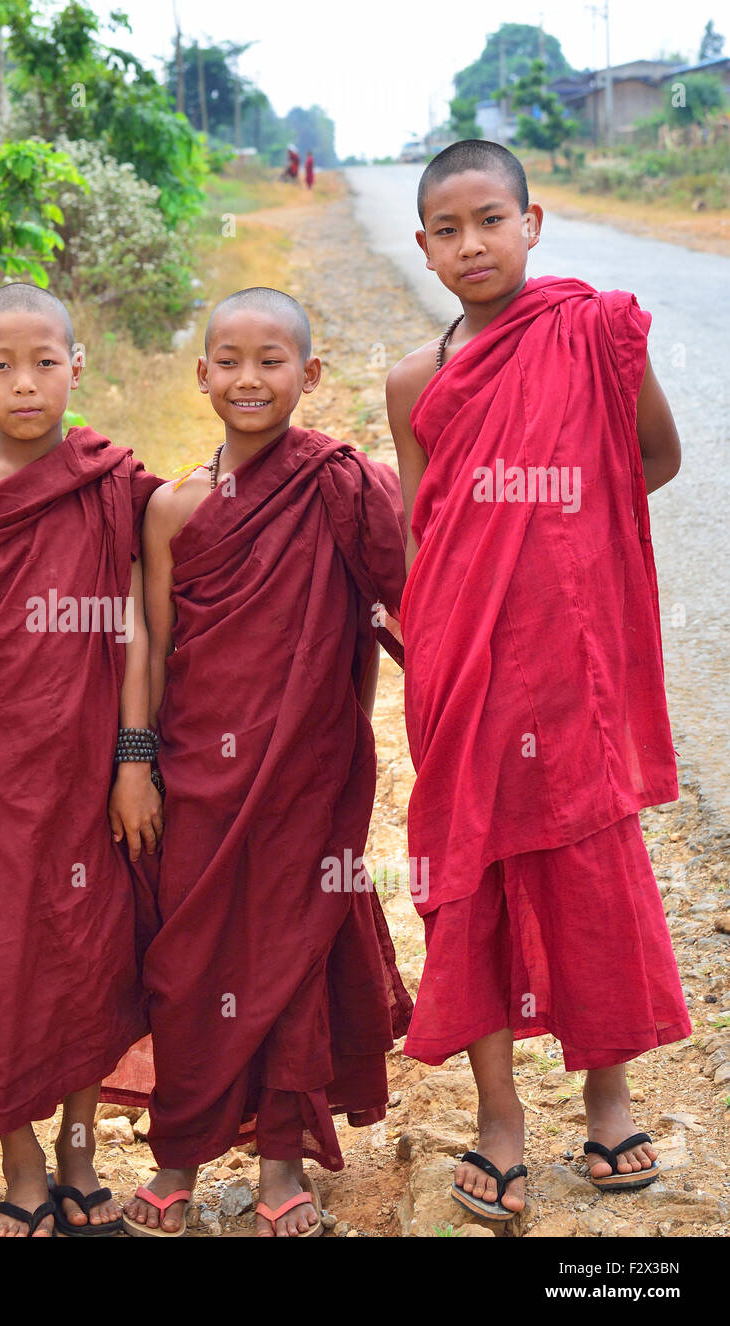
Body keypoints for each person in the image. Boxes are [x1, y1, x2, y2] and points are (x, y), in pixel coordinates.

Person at [386, 139, 689, 1223]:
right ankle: (498, 1122)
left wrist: (573, 540)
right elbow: (424, 530)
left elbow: (653, 459)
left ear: (532, 222)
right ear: (422, 248)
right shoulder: (414, 381)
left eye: (490, 221)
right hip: (462, 669)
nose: (472, 244)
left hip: (570, 661)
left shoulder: (596, 328)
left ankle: (608, 1100)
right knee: (467, 873)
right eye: (448, 230)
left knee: (588, 862)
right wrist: (431, 640)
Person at [117, 287, 413, 1237]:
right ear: (201, 375)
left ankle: (283, 1162)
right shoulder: (173, 509)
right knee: (192, 957)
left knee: (291, 956)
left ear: (310, 375)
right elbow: (150, 647)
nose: (250, 379)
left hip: (309, 768)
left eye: (271, 361)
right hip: (197, 770)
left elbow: (390, 613)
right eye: (230, 362)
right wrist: (135, 763)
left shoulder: (345, 484)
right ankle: (179, 1155)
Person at [0, 283, 163, 1237]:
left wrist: (136, 758)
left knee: (87, 948)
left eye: (44, 363)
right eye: (1, 366)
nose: (24, 383)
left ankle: (80, 1147)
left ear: (77, 367)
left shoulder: (110, 478)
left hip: (85, 759)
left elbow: (134, 624)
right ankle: (18, 1158)